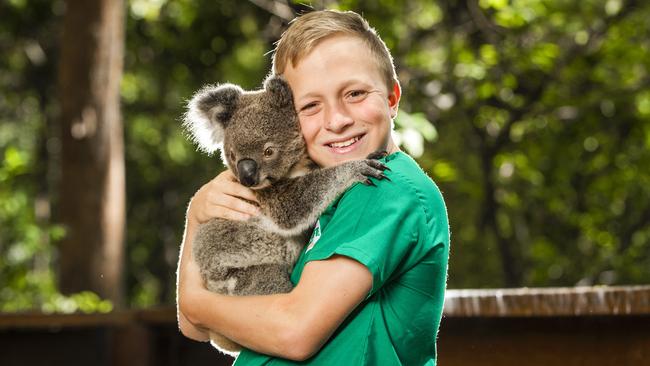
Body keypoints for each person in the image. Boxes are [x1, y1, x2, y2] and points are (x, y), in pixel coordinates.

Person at [177, 9, 450, 365]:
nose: (336, 120)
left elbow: (292, 332)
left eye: (354, 93)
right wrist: (199, 213)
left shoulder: (382, 187)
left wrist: (194, 302)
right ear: (290, 119)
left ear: (393, 97)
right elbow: (195, 326)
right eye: (310, 106)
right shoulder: (335, 190)